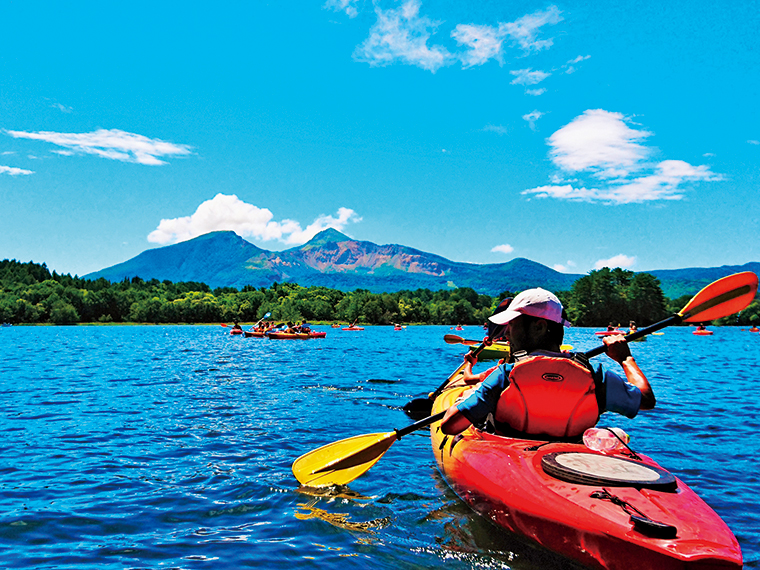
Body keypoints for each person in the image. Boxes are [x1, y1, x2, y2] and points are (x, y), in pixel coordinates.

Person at [441, 288, 656, 439]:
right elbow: (646, 400)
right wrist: (625, 359)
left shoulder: (505, 375)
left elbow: (450, 426)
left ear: (539, 326)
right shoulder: (596, 375)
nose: (507, 333)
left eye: (512, 325)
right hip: (568, 459)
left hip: (512, 461)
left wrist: (468, 397)